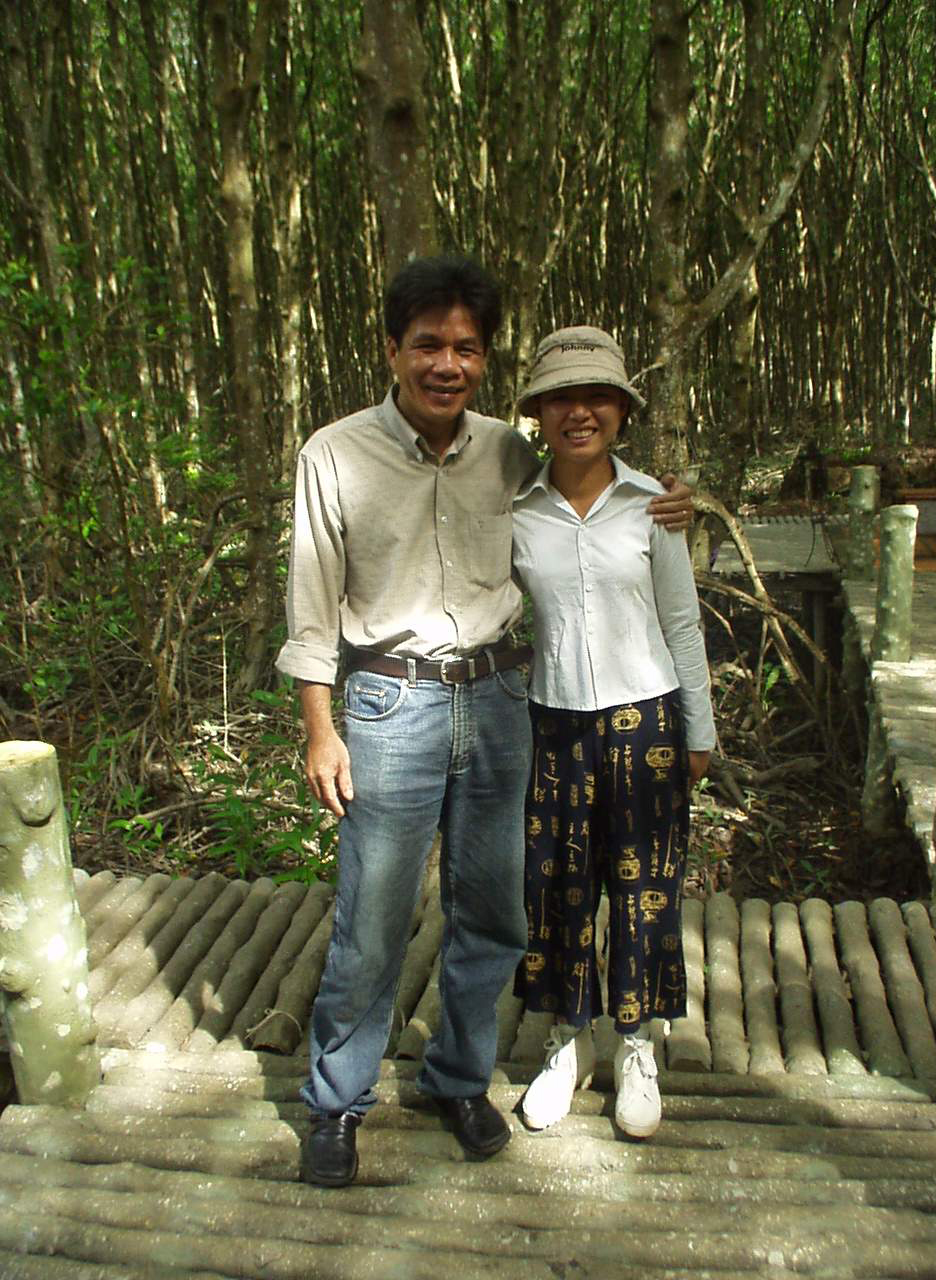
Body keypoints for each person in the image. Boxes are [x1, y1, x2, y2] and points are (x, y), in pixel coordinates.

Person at [276, 260, 692, 1187]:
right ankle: (337, 1102)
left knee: (496, 912)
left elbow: (591, 497)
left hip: (502, 699)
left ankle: (459, 1079)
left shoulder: (510, 451)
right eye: (428, 344)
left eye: (466, 348)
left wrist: (668, 502)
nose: (447, 364)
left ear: (485, 360)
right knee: (373, 918)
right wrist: (320, 729)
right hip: (389, 704)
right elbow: (310, 609)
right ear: (393, 349)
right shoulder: (334, 455)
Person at [510, 326, 715, 1139]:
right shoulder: (517, 510)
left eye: (597, 397)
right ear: (538, 414)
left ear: (623, 411)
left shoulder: (653, 506)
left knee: (643, 890)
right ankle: (568, 1041)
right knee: (557, 887)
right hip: (553, 721)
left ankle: (635, 1043)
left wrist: (699, 728)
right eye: (561, 398)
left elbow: (682, 621)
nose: (579, 413)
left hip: (647, 719)